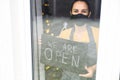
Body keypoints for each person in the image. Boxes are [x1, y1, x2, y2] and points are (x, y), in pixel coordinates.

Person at [59, 0, 99, 80]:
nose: (79, 14)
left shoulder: (98, 33)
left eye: (83, 11)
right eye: (76, 11)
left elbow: (106, 58)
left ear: (89, 14)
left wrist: (93, 69)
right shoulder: (64, 34)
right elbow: (59, 58)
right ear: (71, 13)